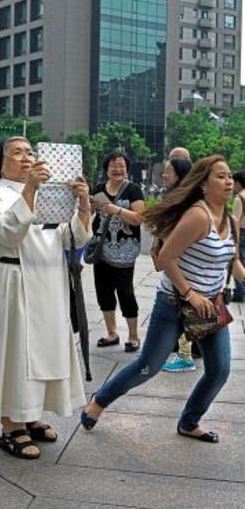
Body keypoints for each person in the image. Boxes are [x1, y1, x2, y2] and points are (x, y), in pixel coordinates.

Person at [81, 155, 245, 443]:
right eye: (220, 176)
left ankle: (189, 421)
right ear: (203, 184)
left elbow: (233, 263)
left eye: (230, 175)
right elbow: (166, 258)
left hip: (209, 307)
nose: (229, 181)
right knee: (148, 366)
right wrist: (190, 293)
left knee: (219, 370)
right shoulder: (198, 215)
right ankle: (99, 401)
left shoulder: (229, 219)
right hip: (174, 303)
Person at [0, 136, 91, 459]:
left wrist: (83, 204)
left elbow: (72, 236)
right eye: (17, 153)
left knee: (42, 353)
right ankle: (10, 424)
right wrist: (29, 189)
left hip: (47, 281)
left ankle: (31, 414)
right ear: (0, 162)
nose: (27, 157)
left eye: (30, 152)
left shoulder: (50, 195)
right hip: (11, 283)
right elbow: (7, 232)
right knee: (14, 354)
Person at [92, 150, 144, 352]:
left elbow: (140, 218)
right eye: (113, 165)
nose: (117, 169)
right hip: (101, 248)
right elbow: (91, 214)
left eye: (121, 165)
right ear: (106, 169)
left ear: (127, 169)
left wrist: (117, 210)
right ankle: (112, 333)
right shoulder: (97, 189)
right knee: (103, 291)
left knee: (125, 291)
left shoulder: (133, 190)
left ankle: (133, 336)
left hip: (125, 250)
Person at [159, 156, 199, 373]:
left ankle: (186, 356)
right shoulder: (176, 197)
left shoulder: (186, 201)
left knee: (185, 310)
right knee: (180, 310)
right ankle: (180, 352)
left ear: (180, 175)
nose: (164, 175)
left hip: (183, 264)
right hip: (176, 262)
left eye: (168, 172)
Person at [231, 171, 245, 302]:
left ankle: (240, 292)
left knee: (237, 260)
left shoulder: (239, 198)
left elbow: (235, 219)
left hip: (241, 232)